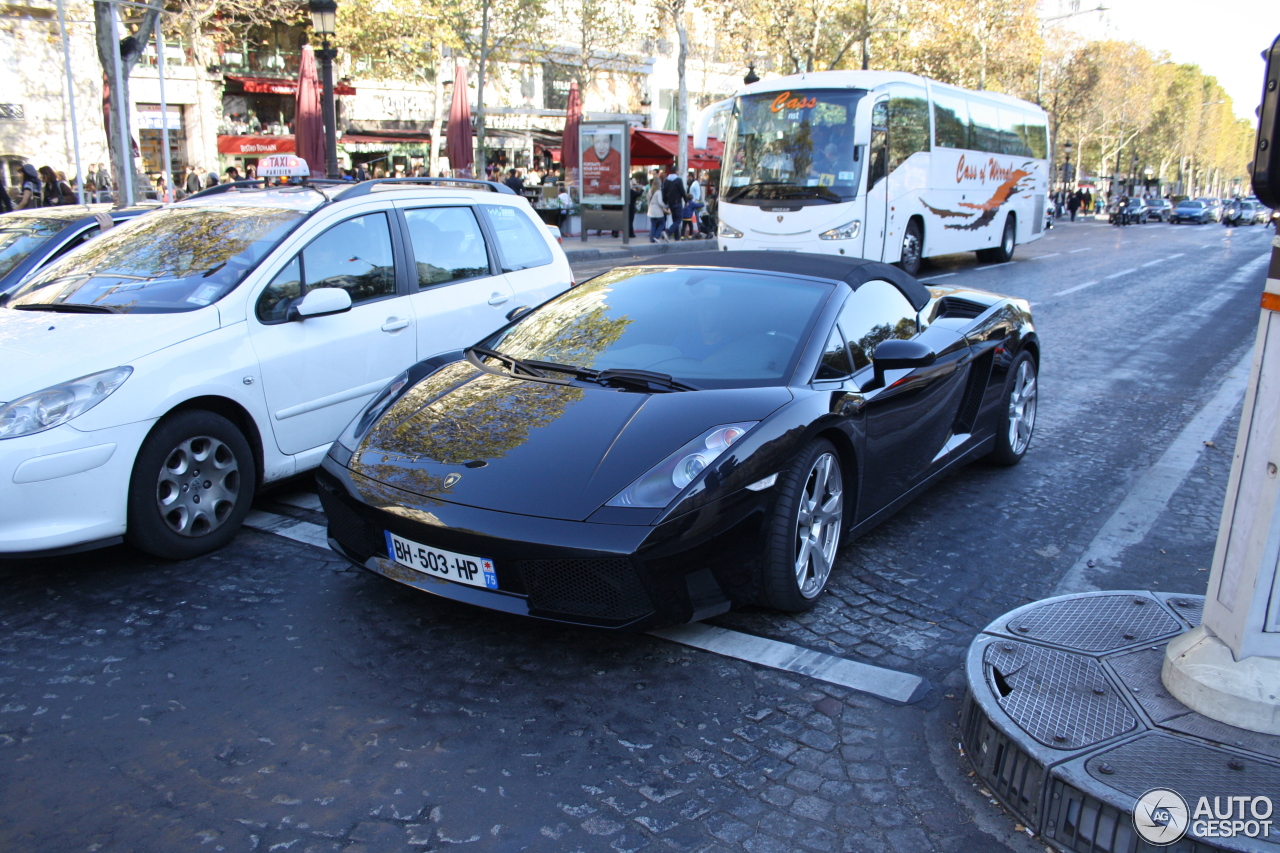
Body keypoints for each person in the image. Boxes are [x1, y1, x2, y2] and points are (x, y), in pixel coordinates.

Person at [582, 131, 622, 198]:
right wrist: (607, 183)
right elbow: (585, 187)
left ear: (611, 142)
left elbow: (617, 187)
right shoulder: (586, 156)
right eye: (597, 142)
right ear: (592, 142)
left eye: (605, 141)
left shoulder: (617, 157)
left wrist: (597, 184)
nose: (601, 147)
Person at [661, 165, 688, 241]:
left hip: (670, 203)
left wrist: (665, 202)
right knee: (678, 219)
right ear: (677, 171)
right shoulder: (678, 180)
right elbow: (682, 191)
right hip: (677, 202)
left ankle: (677, 237)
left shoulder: (666, 180)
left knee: (674, 220)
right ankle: (668, 232)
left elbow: (664, 192)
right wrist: (686, 200)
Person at [646, 171, 667, 243]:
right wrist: (666, 206)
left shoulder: (650, 191)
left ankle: (652, 239)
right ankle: (657, 236)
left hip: (651, 210)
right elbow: (660, 202)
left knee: (653, 225)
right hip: (658, 211)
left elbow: (648, 200)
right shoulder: (658, 192)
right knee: (662, 223)